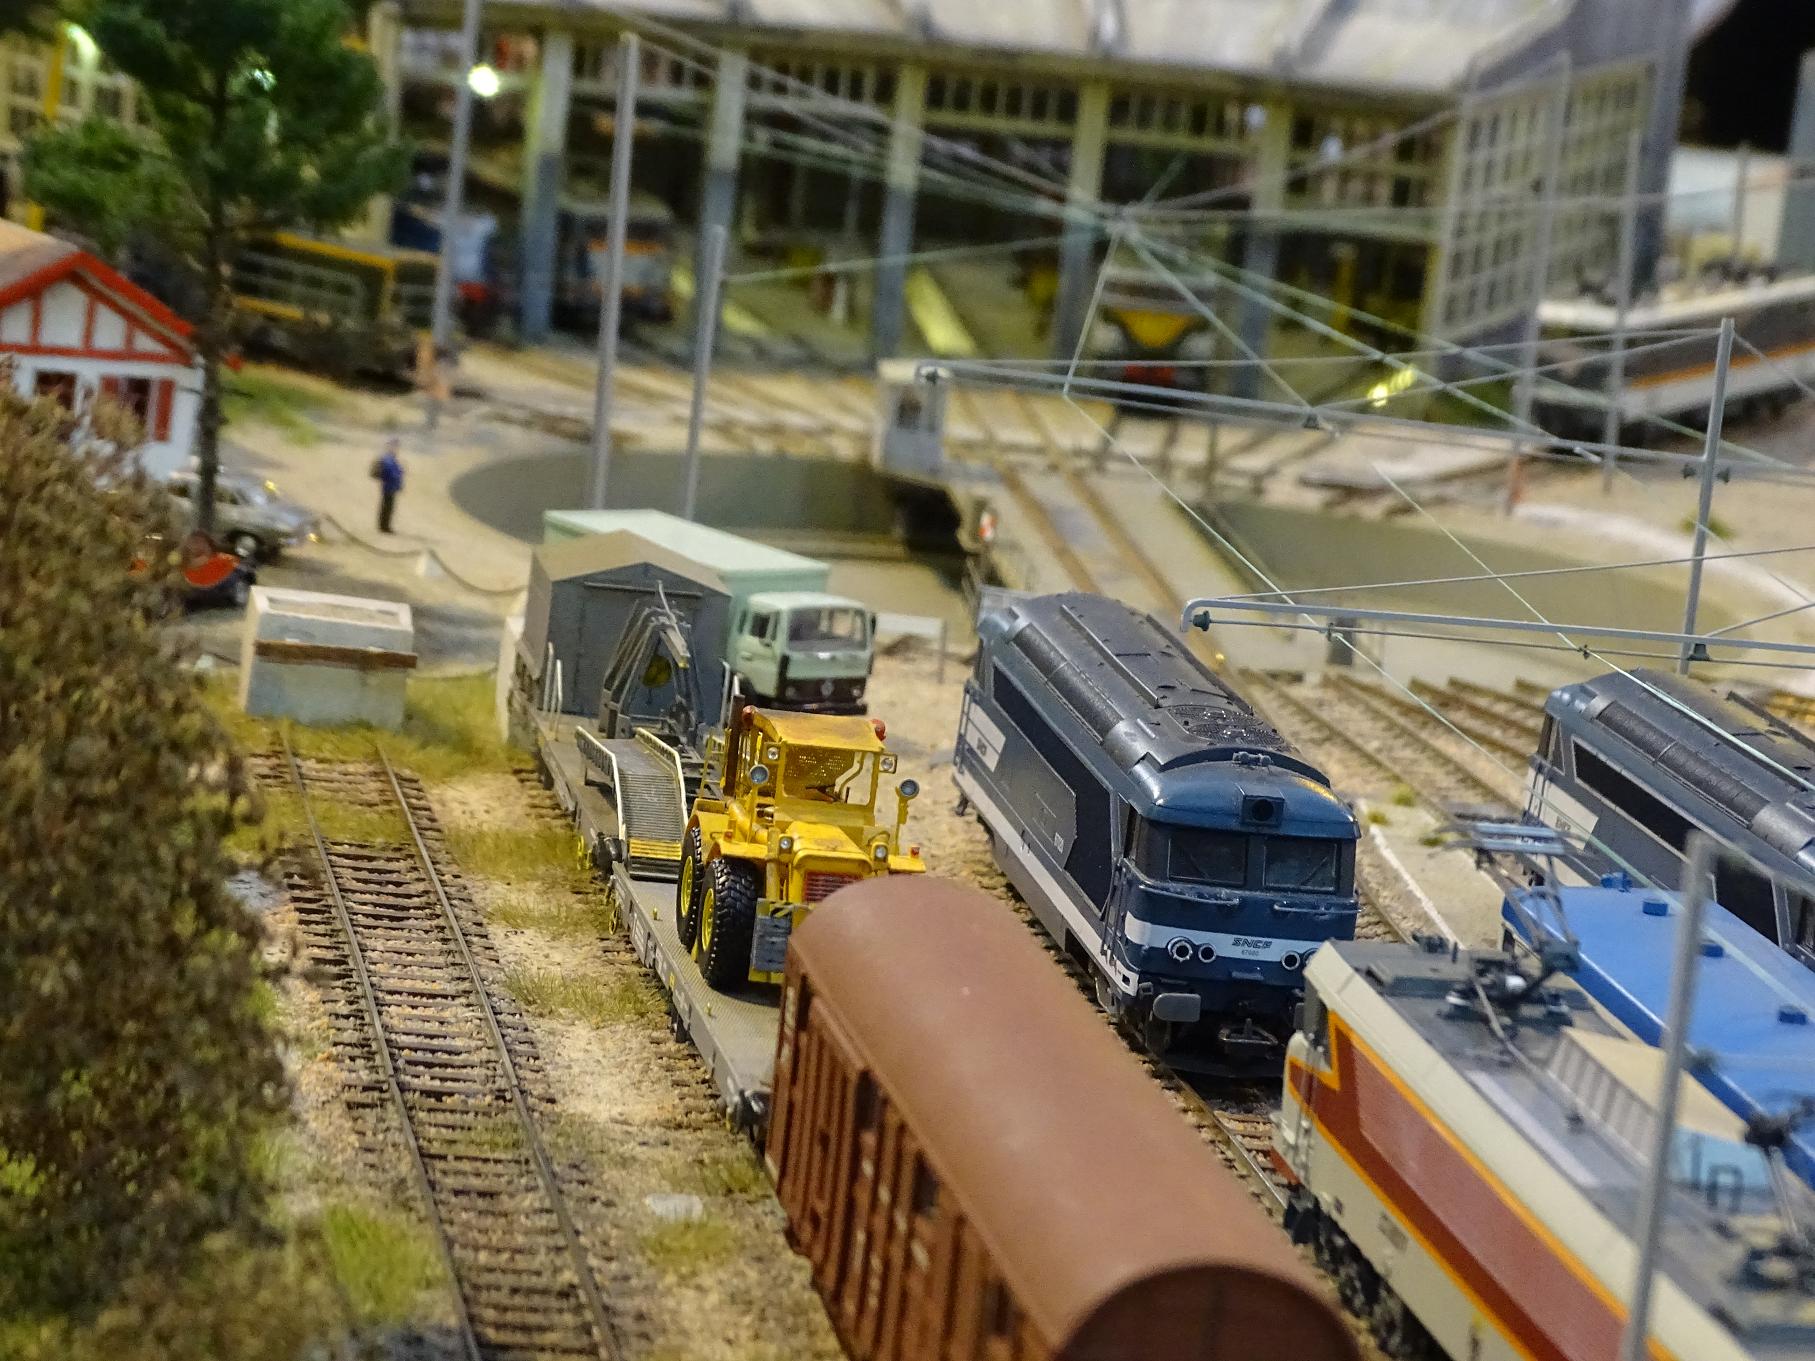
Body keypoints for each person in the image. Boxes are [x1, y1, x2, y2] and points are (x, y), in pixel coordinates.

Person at [372, 439, 404, 534]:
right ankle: (384, 527)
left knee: (387, 507)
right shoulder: (388, 459)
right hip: (389, 486)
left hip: (390, 486)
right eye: (395, 446)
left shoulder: (391, 458)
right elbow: (392, 472)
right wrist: (398, 475)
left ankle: (384, 526)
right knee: (387, 507)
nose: (397, 449)